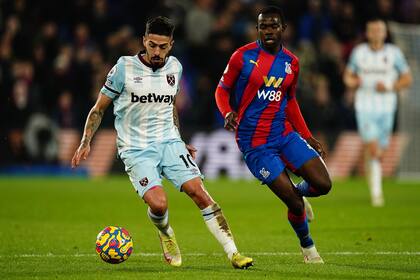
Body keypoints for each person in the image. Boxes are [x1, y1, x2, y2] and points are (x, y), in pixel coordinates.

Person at [71, 16, 253, 269]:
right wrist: (85, 141)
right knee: (159, 203)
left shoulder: (175, 68)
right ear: (144, 41)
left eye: (163, 47)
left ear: (171, 45)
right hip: (136, 148)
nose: (157, 52)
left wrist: (178, 140)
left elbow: (170, 107)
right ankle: (166, 233)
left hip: (168, 142)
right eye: (152, 45)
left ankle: (234, 253)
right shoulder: (124, 68)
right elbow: (98, 109)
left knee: (200, 193)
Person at [214, 6, 332, 264]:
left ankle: (299, 191)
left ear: (283, 29)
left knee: (324, 185)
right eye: (263, 26)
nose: (268, 30)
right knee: (294, 203)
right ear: (258, 29)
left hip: (284, 134)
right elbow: (221, 91)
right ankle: (308, 249)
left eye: (273, 26)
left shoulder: (292, 63)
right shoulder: (241, 57)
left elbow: (290, 101)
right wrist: (226, 112)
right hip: (255, 144)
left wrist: (307, 135)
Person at [343, 18, 412, 207]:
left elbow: (407, 78)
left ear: (384, 33)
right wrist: (353, 82)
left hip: (387, 108)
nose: (375, 33)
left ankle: (374, 181)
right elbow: (348, 76)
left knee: (378, 152)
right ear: (367, 33)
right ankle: (377, 193)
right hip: (365, 106)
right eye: (372, 30)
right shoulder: (360, 53)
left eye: (379, 30)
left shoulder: (394, 53)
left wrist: (390, 85)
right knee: (373, 149)